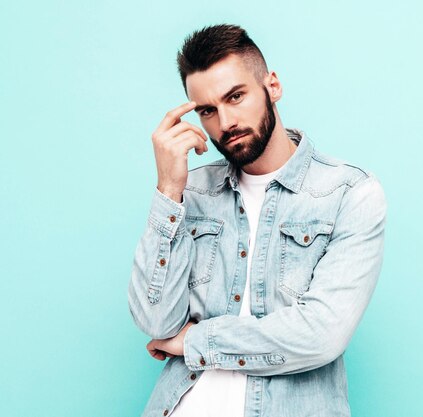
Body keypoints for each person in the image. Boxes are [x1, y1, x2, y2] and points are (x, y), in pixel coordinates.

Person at [128, 24, 387, 417]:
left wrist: (196, 341)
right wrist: (168, 190)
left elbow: (321, 334)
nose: (225, 122)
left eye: (236, 96)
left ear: (273, 86)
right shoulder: (191, 191)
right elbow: (156, 321)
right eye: (207, 110)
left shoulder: (349, 193)